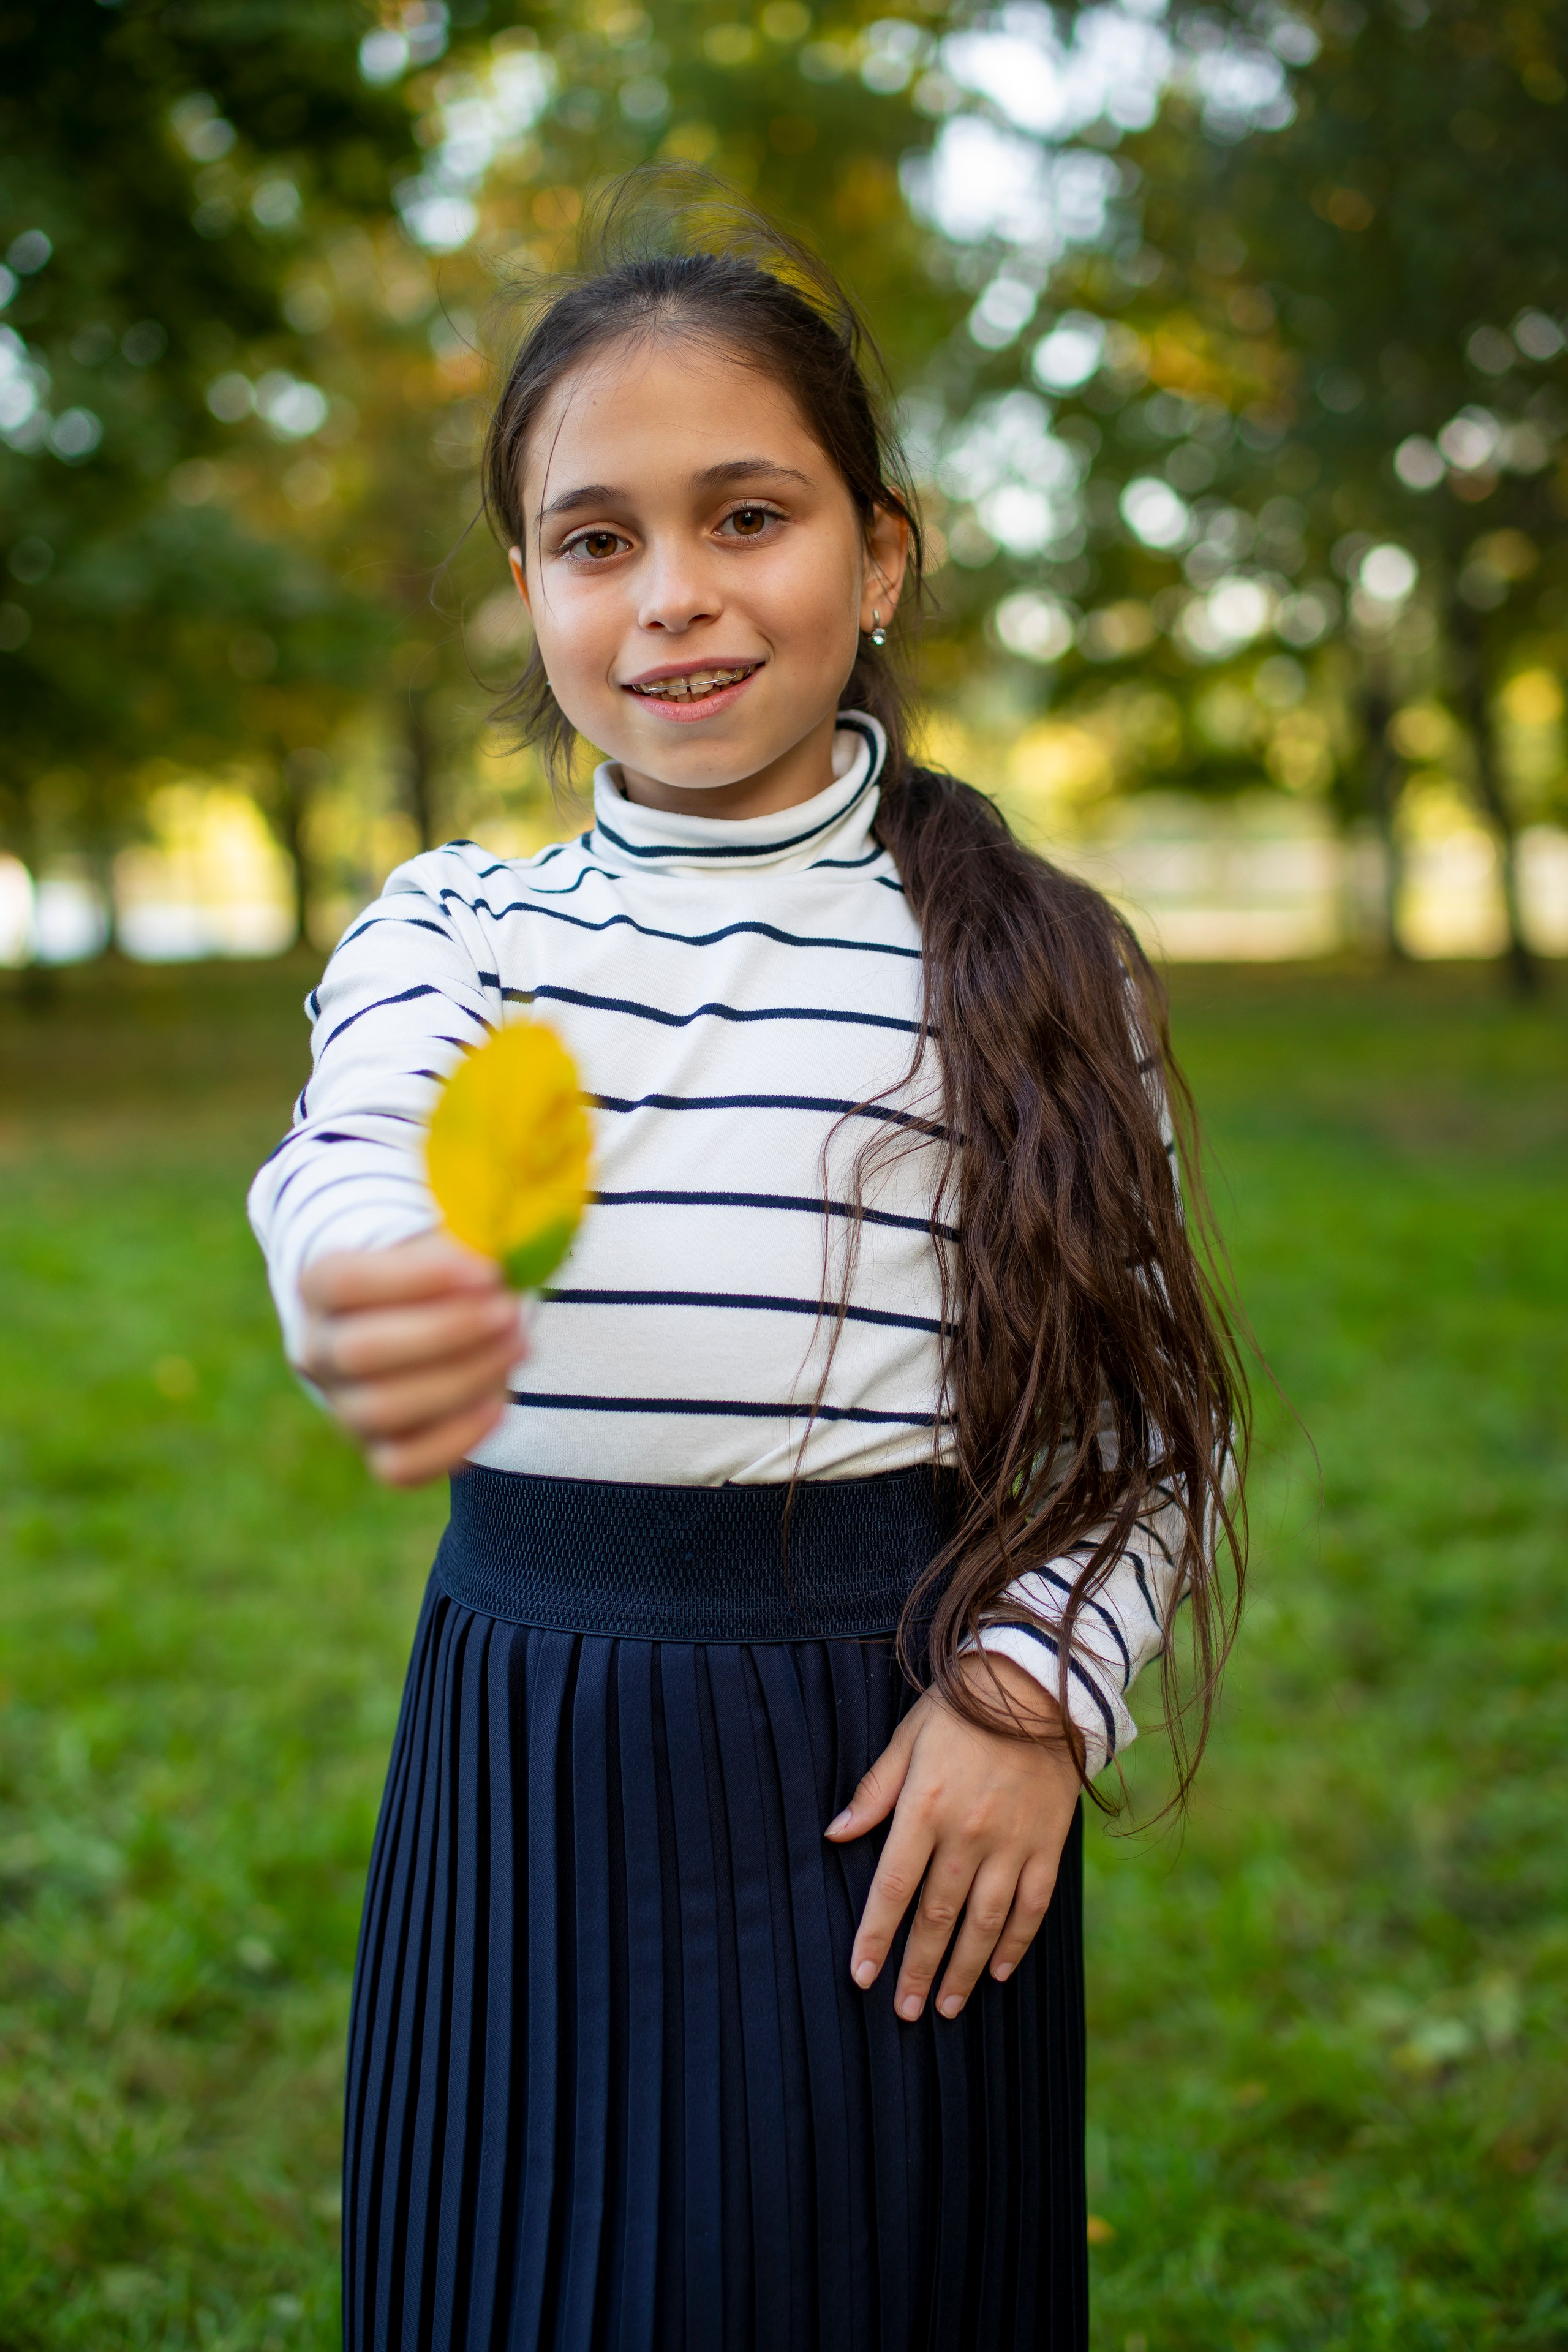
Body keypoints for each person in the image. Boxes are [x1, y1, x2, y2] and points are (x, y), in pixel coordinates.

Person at [249, 180, 1244, 2352]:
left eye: (748, 518)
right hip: (524, 1745)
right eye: (596, 540)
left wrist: (1027, 1704)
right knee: (497, 2287)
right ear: (529, 589)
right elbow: (350, 1154)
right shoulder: (458, 926)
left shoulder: (1029, 961)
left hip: (883, 1766)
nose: (674, 596)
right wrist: (363, 1281)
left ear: (879, 557)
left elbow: (1148, 1425)